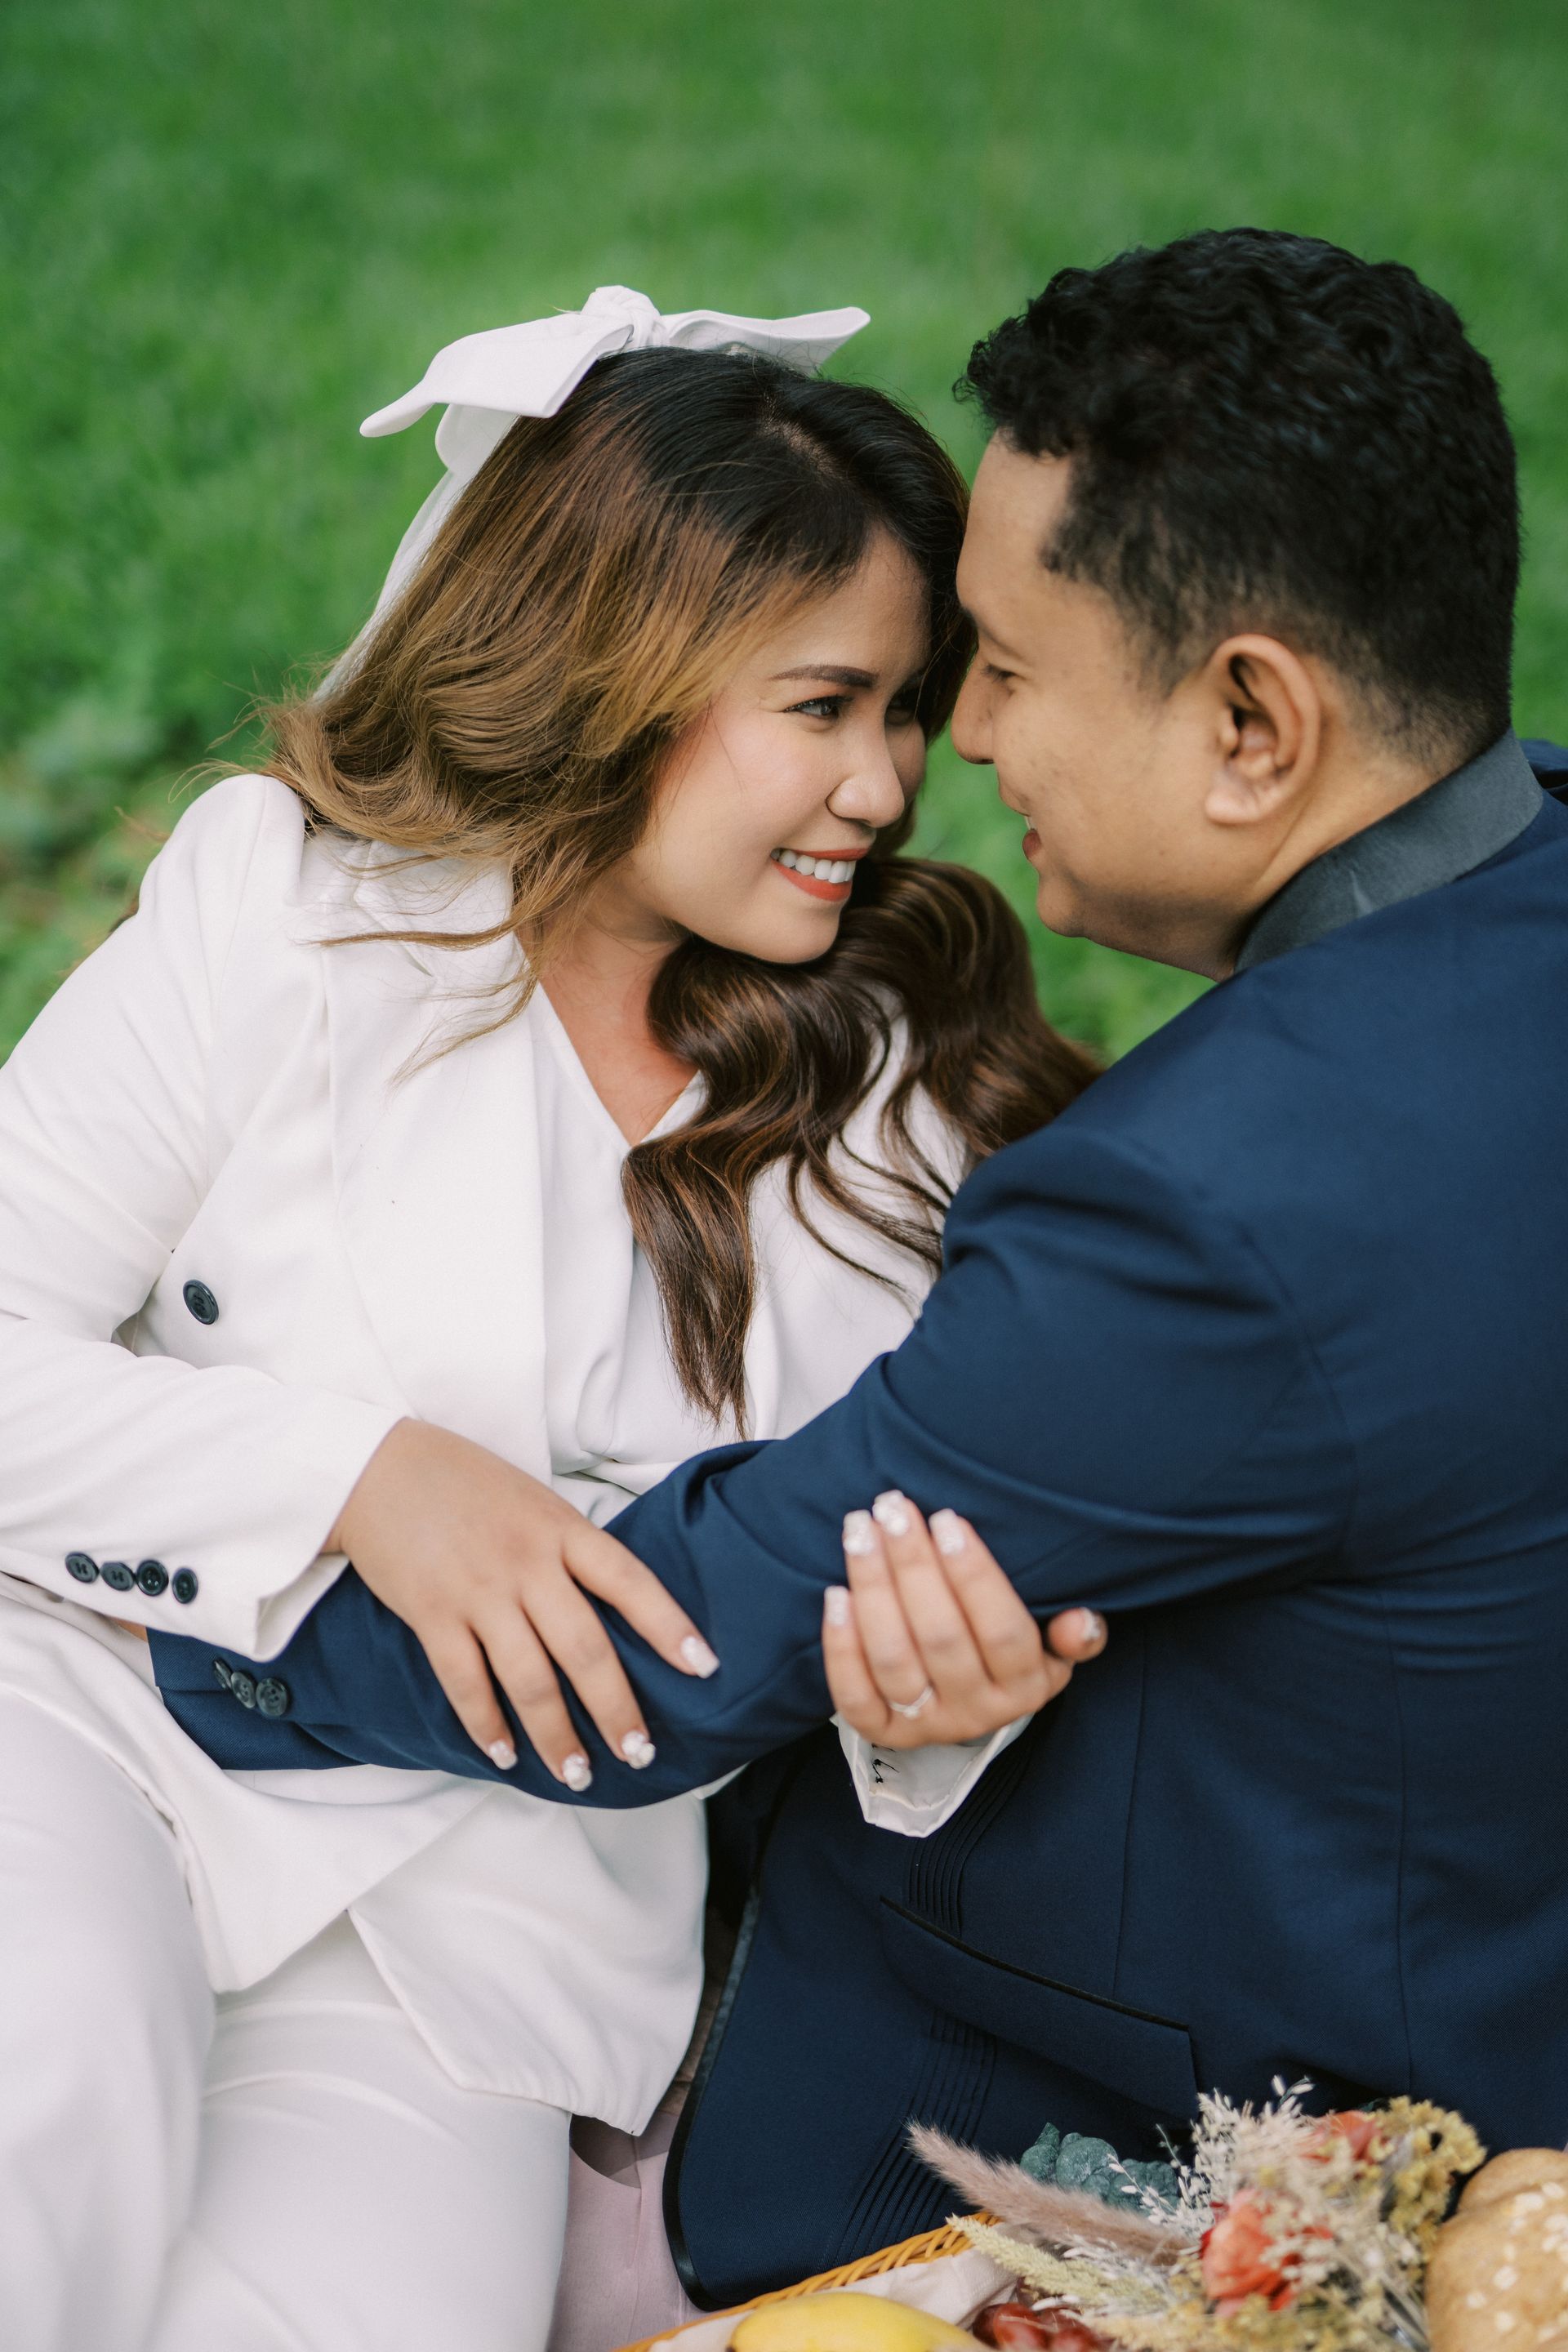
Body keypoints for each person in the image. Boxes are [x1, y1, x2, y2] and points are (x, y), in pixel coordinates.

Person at [164, 226, 1568, 2307]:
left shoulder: (1223, 1202)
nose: (957, 748)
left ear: (1252, 721)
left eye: (1001, 669)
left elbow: (695, 1640)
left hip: (1200, 2105)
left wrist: (194, 1638)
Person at [0, 290, 1107, 2352]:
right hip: (89, 1718)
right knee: (36, 2114)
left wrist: (933, 1712)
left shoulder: (908, 1099)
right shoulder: (289, 909)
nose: (886, 783)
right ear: (622, 669)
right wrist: (360, 1476)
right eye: (824, 704)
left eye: (907, 710)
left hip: (496, 1922)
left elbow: (867, 1588)